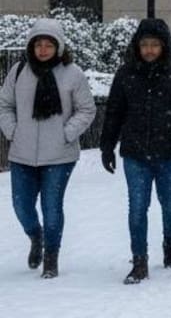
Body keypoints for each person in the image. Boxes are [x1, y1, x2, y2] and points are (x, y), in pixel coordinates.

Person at [100, 17, 171, 284]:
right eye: (144, 44)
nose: (149, 50)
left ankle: (170, 243)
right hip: (135, 152)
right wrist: (107, 146)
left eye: (154, 45)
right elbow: (114, 112)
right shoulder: (126, 74)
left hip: (169, 151)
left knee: (170, 204)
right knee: (137, 207)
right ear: (137, 46)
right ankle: (139, 260)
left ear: (164, 46)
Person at [0, 18, 96, 279]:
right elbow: (5, 104)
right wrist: (13, 131)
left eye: (48, 45)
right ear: (31, 46)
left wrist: (67, 133)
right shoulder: (19, 71)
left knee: (52, 208)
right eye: (38, 44)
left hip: (59, 156)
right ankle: (36, 236)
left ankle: (51, 257)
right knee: (22, 207)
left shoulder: (72, 73)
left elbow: (86, 109)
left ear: (58, 47)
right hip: (22, 154)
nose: (43, 50)